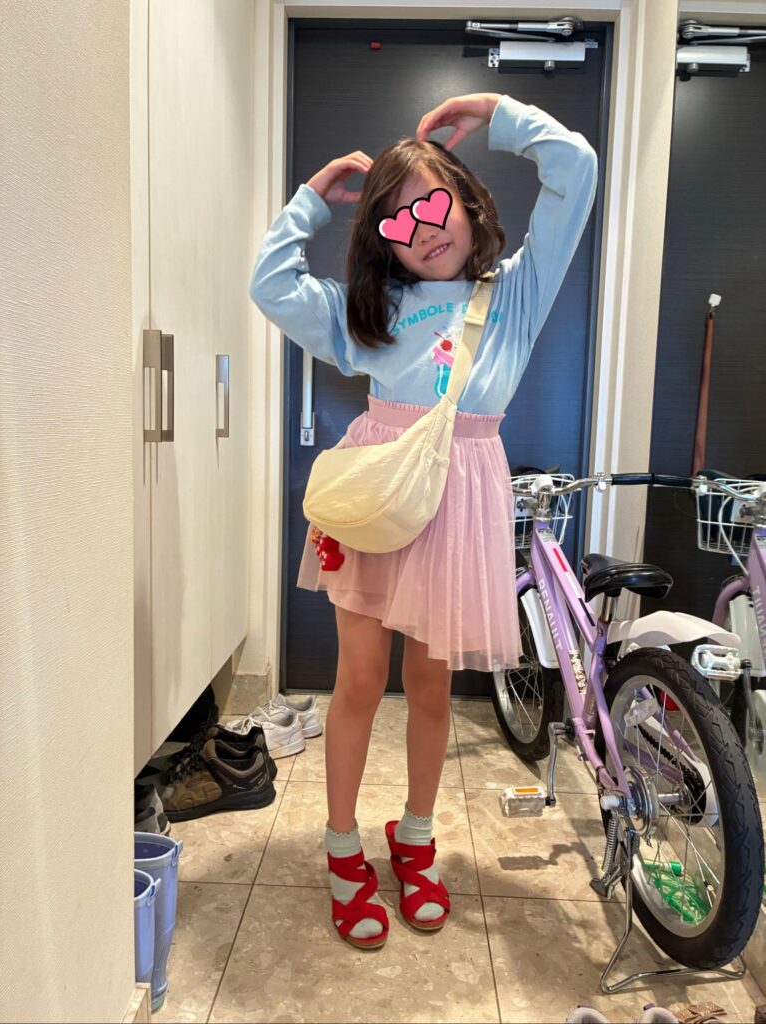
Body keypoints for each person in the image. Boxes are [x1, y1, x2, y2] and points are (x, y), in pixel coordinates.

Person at [249, 92, 598, 949]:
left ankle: (413, 839)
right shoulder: (368, 312)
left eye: (435, 204)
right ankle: (341, 849)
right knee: (359, 681)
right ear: (383, 242)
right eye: (398, 220)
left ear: (471, 207)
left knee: (433, 685)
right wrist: (309, 201)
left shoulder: (516, 294)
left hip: (462, 498)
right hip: (377, 497)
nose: (423, 229)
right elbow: (270, 285)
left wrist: (499, 113)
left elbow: (576, 167)